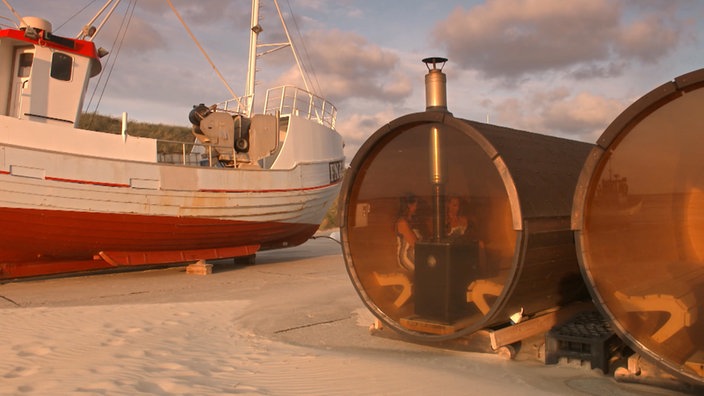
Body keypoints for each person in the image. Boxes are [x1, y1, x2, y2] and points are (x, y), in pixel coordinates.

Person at [395, 194, 422, 273]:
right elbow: (415, 244)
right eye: (414, 205)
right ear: (408, 206)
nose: (416, 208)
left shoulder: (412, 220)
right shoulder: (402, 222)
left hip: (415, 254)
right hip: (406, 257)